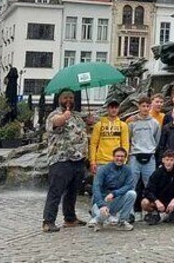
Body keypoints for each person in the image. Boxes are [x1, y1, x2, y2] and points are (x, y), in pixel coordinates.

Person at [42, 90, 90, 232]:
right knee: (56, 191)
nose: (68, 100)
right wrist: (64, 117)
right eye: (65, 98)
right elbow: (56, 123)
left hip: (78, 159)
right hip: (61, 160)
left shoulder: (77, 116)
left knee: (72, 191)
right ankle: (48, 221)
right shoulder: (54, 114)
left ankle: (70, 218)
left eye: (71, 98)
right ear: (59, 99)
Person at [128, 96, 162, 221]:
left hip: (150, 157)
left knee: (151, 186)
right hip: (135, 157)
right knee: (132, 185)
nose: (145, 108)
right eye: (143, 106)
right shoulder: (132, 122)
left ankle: (151, 211)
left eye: (148, 106)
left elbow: (157, 140)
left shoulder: (155, 123)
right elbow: (129, 138)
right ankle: (130, 212)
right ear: (139, 107)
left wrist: (151, 150)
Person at [90, 147, 136, 231]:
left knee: (132, 194)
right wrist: (101, 205)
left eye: (122, 156)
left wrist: (114, 193)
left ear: (125, 158)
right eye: (117, 156)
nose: (119, 158)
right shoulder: (103, 169)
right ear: (113, 157)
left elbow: (129, 185)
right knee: (104, 214)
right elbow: (96, 187)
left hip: (115, 200)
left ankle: (122, 221)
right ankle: (98, 221)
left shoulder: (127, 170)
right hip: (102, 201)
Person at [142, 150, 174, 225]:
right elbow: (148, 190)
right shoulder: (156, 173)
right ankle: (154, 214)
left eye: (171, 160)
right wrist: (156, 201)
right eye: (167, 160)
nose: (169, 162)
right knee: (144, 202)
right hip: (159, 202)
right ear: (163, 160)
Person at [90, 99, 129, 174]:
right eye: (112, 107)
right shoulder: (99, 125)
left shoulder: (123, 125)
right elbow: (93, 144)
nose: (114, 110)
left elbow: (125, 144)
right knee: (99, 185)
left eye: (116, 107)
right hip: (101, 162)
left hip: (117, 161)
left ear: (118, 109)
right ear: (107, 109)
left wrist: (124, 160)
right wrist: (92, 161)